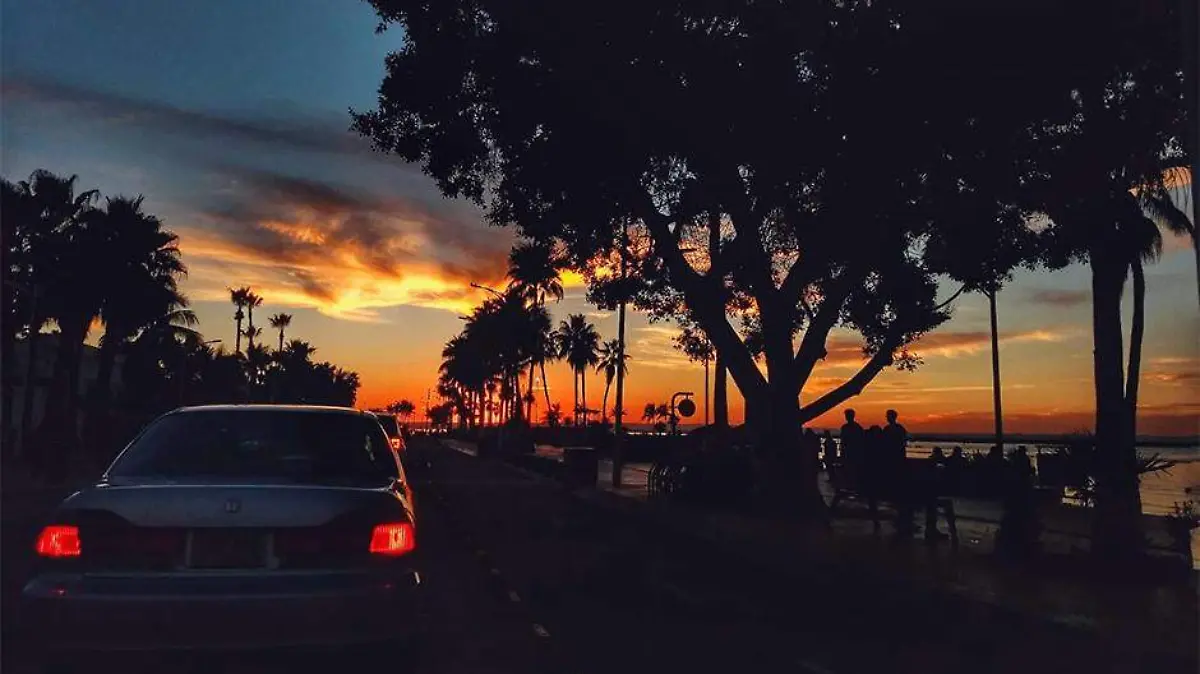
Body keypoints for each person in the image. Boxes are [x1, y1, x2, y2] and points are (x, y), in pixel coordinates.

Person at [839, 409, 865, 475]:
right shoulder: (857, 427)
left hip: (850, 453)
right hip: (853, 453)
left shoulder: (845, 427)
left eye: (847, 415)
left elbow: (843, 440)